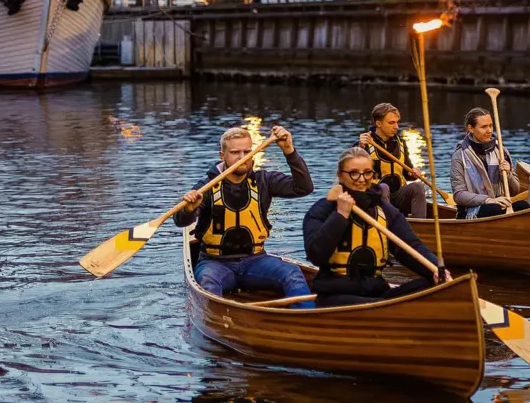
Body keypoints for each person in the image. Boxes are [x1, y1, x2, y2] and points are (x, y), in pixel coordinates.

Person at [176, 126, 316, 308]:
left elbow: (304, 188)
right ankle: (217, 323)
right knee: (208, 283)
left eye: (247, 151)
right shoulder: (207, 187)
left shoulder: (265, 181)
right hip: (215, 263)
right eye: (235, 152)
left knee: (292, 273)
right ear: (222, 155)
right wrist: (189, 209)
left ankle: (303, 320)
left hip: (256, 260)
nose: (242, 157)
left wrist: (289, 150)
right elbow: (181, 221)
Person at [303, 147, 449, 307]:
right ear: (340, 175)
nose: (361, 179)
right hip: (336, 295)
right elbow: (316, 255)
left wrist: (437, 270)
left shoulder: (384, 210)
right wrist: (340, 216)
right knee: (379, 304)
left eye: (367, 173)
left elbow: (411, 247)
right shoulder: (322, 210)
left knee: (434, 285)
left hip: (376, 292)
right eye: (353, 173)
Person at [450, 107, 530, 219]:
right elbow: (458, 195)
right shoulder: (459, 156)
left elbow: (515, 191)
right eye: (484, 127)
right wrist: (488, 200)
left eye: (491, 125)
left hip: (500, 204)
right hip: (472, 210)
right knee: (493, 208)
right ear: (471, 128)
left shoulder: (501, 151)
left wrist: (508, 175)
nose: (489, 131)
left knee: (523, 206)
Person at [357, 103, 428, 219]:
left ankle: (421, 226)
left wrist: (413, 172)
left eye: (397, 122)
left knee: (418, 186)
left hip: (398, 197)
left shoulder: (400, 143)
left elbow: (407, 172)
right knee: (384, 188)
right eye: (391, 123)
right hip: (375, 198)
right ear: (378, 123)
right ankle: (388, 223)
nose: (396, 127)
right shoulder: (365, 144)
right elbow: (352, 171)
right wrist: (360, 148)